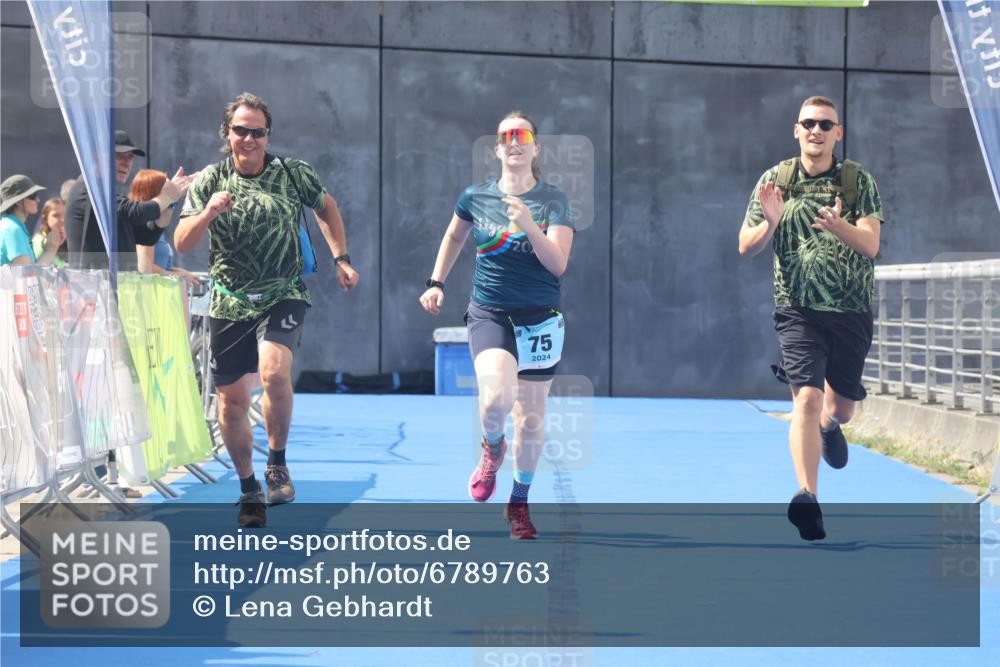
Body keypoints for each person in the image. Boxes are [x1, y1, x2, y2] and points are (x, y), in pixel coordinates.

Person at [177, 92, 360, 528]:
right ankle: (248, 489)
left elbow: (326, 207)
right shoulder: (211, 179)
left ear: (267, 135)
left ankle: (276, 464)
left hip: (284, 292)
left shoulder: (292, 173)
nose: (249, 139)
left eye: (257, 131)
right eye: (241, 130)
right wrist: (208, 212)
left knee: (275, 372)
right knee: (232, 401)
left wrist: (341, 258)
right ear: (227, 133)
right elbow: (183, 242)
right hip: (230, 301)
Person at [418, 111, 575, 539]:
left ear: (535, 148)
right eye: (506, 136)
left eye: (522, 135)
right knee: (495, 403)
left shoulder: (553, 201)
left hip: (540, 318)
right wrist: (436, 282)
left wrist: (528, 224)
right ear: (497, 148)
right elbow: (454, 237)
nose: (514, 142)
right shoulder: (475, 196)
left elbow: (557, 263)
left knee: (529, 419)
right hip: (490, 311)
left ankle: (519, 504)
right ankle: (491, 450)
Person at [738, 95, 884, 541]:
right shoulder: (775, 180)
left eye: (826, 124)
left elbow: (872, 246)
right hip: (797, 309)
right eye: (809, 123)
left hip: (851, 310)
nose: (816, 131)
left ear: (838, 133)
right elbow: (746, 245)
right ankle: (808, 498)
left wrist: (840, 226)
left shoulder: (857, 181)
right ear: (796, 130)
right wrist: (771, 222)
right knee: (805, 398)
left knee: (838, 406)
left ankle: (830, 427)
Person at [64, 130, 195, 269]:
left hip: (111, 287)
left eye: (130, 157)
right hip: (93, 288)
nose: (127, 163)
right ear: (97, 158)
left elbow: (147, 237)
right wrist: (168, 195)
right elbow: (137, 212)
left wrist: (171, 202)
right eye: (119, 156)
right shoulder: (88, 190)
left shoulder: (105, 194)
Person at [127, 169, 199, 280]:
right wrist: (177, 276)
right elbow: (145, 267)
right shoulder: (143, 225)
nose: (168, 191)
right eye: (164, 188)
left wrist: (178, 271)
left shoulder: (154, 225)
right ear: (153, 192)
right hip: (151, 293)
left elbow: (159, 265)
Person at [0, 175, 63, 266]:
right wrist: (51, 250)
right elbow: (26, 275)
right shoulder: (12, 229)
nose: (38, 200)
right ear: (18, 201)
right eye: (33, 196)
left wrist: (52, 248)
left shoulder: (11, 226)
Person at [32, 197, 68, 267]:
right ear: (45, 219)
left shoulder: (68, 241)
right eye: (56, 215)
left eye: (65, 215)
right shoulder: (39, 241)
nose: (62, 220)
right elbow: (36, 270)